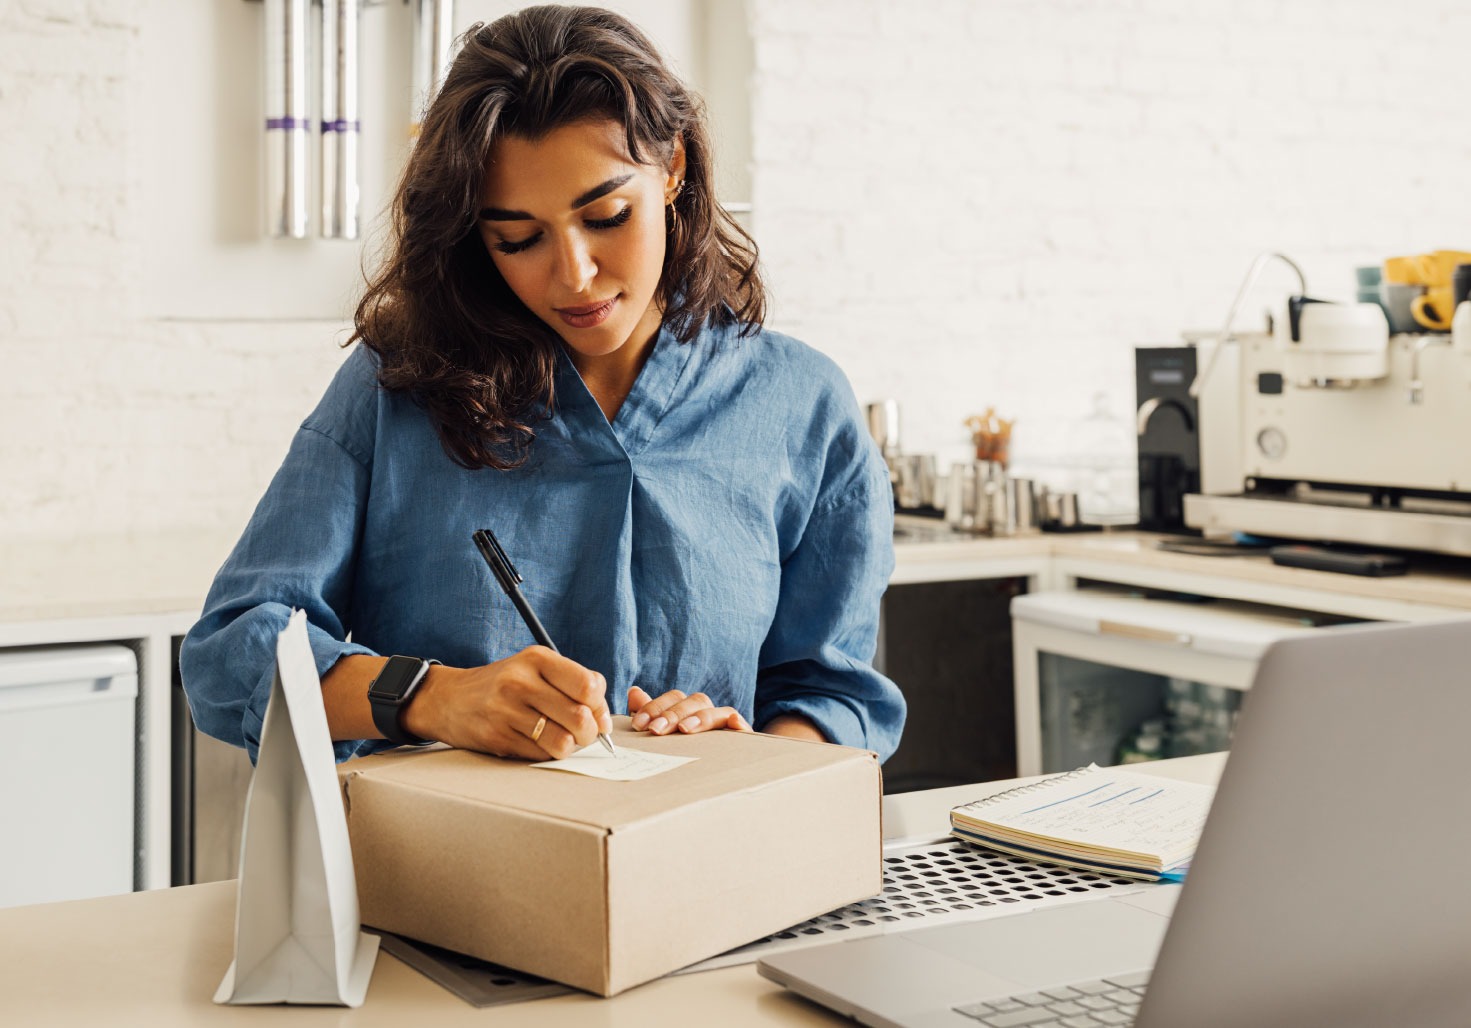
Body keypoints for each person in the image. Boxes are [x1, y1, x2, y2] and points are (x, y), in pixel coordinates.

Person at [181, 4, 904, 766]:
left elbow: (835, 697)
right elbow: (231, 653)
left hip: (704, 873)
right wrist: (433, 697)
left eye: (607, 216)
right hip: (448, 873)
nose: (574, 276)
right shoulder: (395, 389)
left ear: (674, 169)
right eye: (517, 239)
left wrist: (751, 757)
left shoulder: (801, 405)